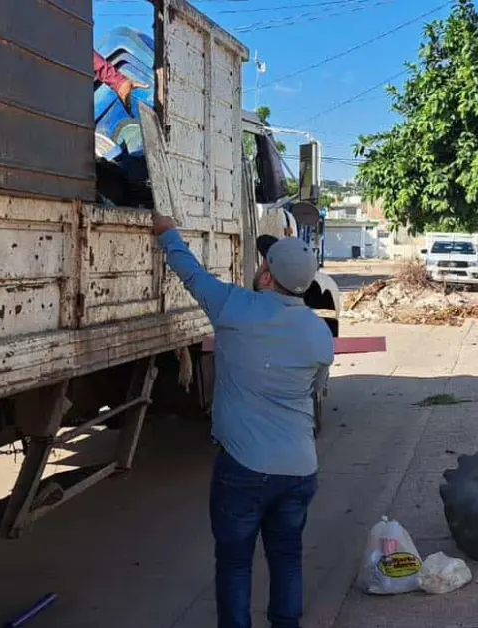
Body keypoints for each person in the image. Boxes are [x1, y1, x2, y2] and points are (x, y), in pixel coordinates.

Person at [150, 212, 334, 628]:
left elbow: (191, 275)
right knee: (287, 556)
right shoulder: (319, 333)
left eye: (263, 265)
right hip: (300, 470)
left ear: (267, 276)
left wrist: (168, 234)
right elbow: (314, 387)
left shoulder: (234, 307)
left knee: (235, 564)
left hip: (244, 469)